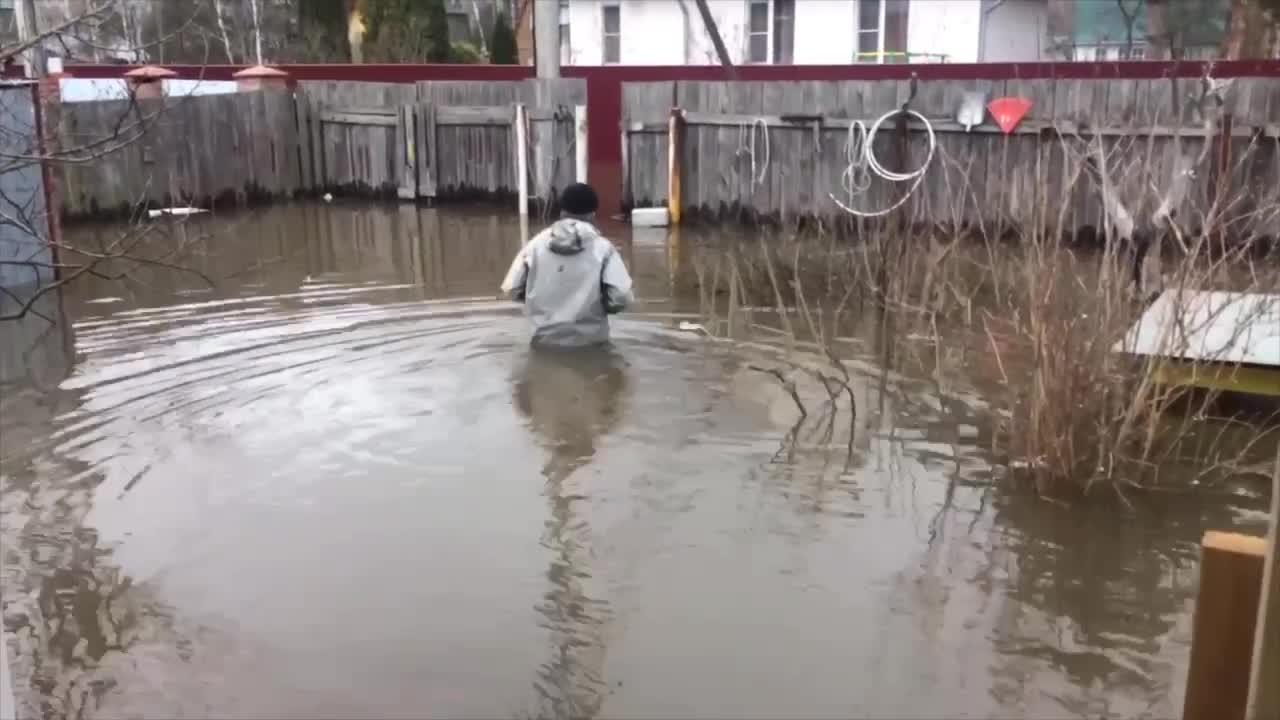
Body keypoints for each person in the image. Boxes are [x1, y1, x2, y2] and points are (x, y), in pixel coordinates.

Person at [501, 183, 634, 348]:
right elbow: (621, 297)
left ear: (562, 212)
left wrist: (536, 302)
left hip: (543, 343)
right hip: (591, 344)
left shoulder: (535, 245)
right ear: (593, 215)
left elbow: (513, 289)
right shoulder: (603, 249)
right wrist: (600, 308)